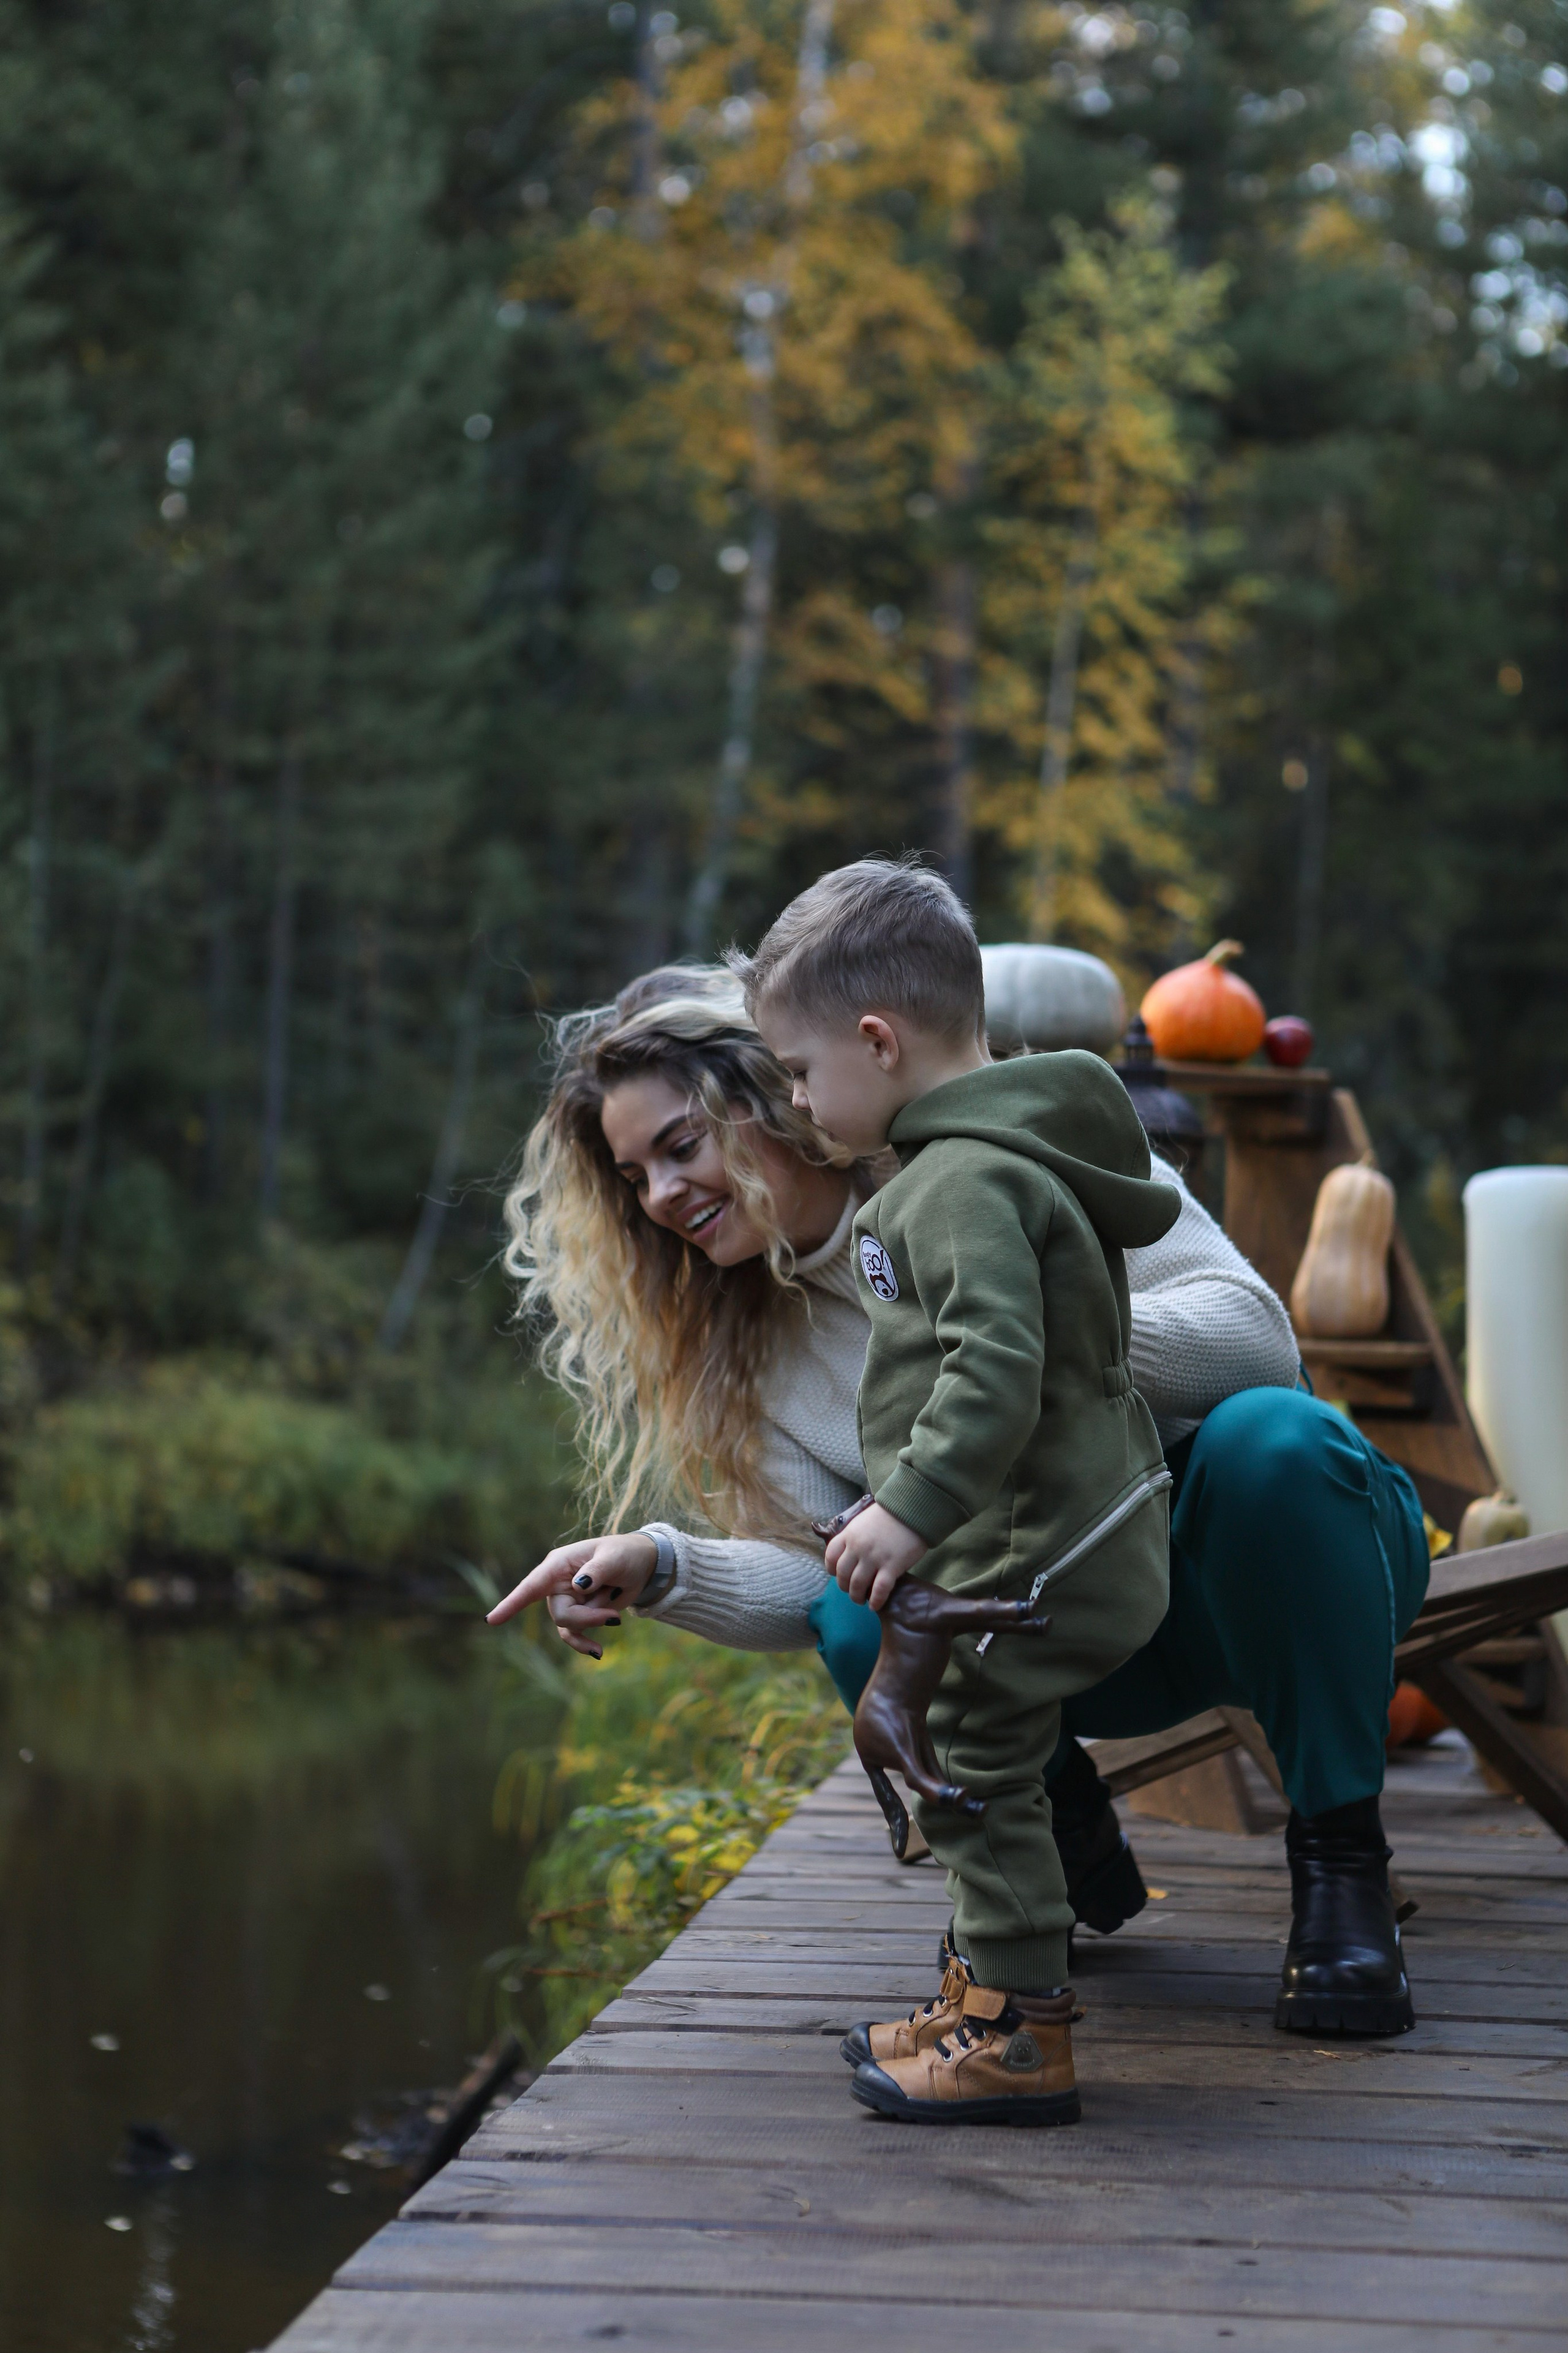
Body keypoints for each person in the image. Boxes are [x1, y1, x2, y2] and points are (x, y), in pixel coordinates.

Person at [488, 953, 1428, 2058]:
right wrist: (661, 1563)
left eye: (680, 1145)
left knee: (1273, 1441)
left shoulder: (1009, 1155)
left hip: (1254, 1563)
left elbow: (1259, 1345)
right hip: (1067, 1628)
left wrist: (1031, 1331)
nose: (659, 1196)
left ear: (782, 1094)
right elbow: (821, 1592)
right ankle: (1055, 1848)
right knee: (859, 1586)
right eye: (634, 1173)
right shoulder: (750, 1346)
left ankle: (1341, 1877)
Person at [737, 859, 1181, 2124]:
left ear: (877, 1040)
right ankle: (980, 1990)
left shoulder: (962, 1181)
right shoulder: (996, 1151)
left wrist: (909, 1506)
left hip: (1042, 1538)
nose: (799, 1101)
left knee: (971, 1747)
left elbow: (995, 1365)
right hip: (1067, 1522)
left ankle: (1018, 2036)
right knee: (970, 1742)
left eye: (802, 1071)